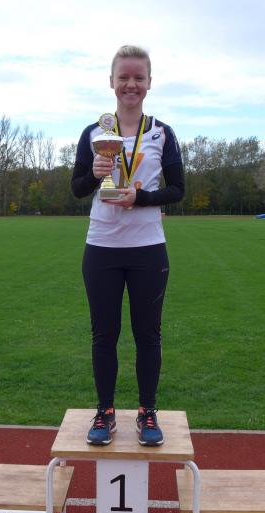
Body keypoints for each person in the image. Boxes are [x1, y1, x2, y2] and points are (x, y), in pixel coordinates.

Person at [71, 45, 185, 446]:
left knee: (147, 336)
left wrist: (142, 198)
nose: (131, 84)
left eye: (138, 77)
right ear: (111, 82)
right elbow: (77, 188)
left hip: (147, 247)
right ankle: (105, 412)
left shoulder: (162, 133)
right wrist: (95, 173)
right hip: (101, 246)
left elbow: (178, 190)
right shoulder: (94, 133)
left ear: (149, 83)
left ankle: (147, 412)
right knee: (104, 335)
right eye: (124, 77)